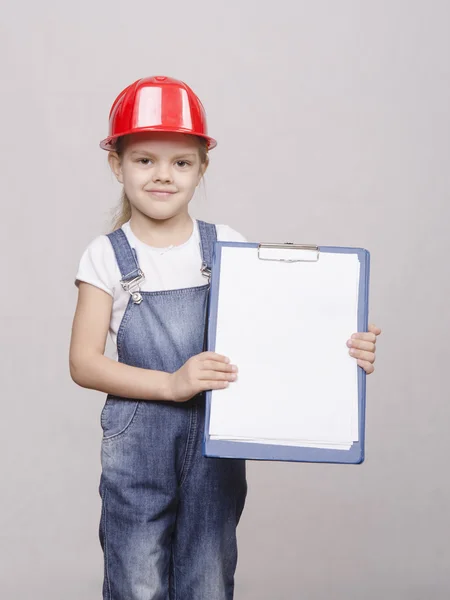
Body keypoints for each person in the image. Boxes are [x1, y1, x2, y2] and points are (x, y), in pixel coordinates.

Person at [69, 76, 381, 600]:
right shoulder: (106, 256)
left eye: (181, 162)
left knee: (209, 575)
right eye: (145, 160)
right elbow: (83, 362)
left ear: (202, 168)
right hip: (138, 443)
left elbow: (279, 333)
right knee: (136, 577)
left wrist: (341, 349)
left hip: (217, 444)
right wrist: (172, 384)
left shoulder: (228, 248)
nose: (163, 175)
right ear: (116, 164)